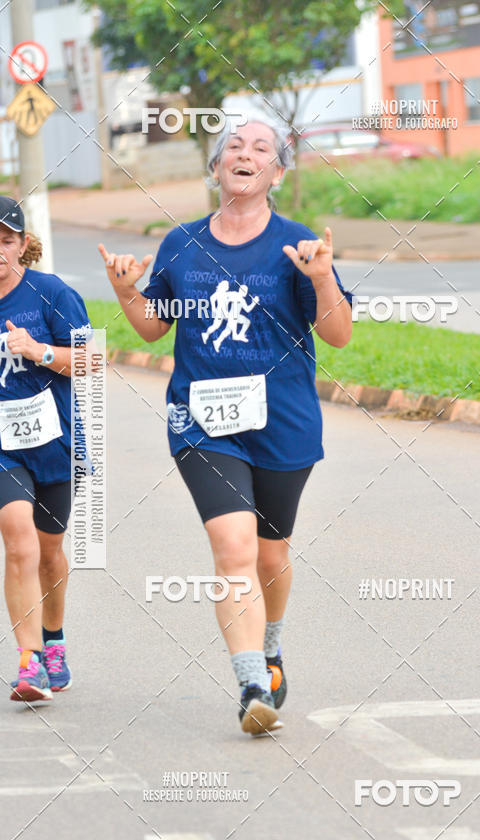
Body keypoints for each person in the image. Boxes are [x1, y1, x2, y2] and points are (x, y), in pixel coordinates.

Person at [99, 116, 352, 734]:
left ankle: (271, 646)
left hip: (283, 421)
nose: (246, 154)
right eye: (233, 146)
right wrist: (127, 290)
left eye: (261, 149)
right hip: (202, 422)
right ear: (215, 168)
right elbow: (153, 326)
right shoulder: (182, 243)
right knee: (234, 547)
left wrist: (321, 278)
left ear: (277, 173)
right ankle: (251, 684)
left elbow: (339, 335)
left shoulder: (298, 245)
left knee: (270, 553)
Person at [0, 196, 92, 702]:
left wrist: (38, 351)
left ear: (23, 244)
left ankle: (53, 640)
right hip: (3, 448)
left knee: (49, 551)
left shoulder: (51, 293)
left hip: (54, 441)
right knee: (19, 542)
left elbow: (91, 361)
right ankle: (29, 661)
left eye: (6, 241)